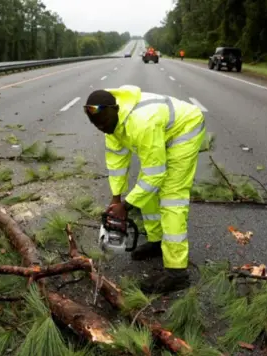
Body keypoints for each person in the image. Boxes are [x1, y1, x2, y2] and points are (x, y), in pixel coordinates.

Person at [83, 85, 206, 294]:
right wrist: (116, 198)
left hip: (184, 129)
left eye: (104, 124)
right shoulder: (110, 123)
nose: (102, 129)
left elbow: (155, 175)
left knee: (171, 198)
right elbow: (117, 163)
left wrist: (126, 206)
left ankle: (177, 272)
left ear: (116, 110)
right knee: (145, 193)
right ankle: (157, 242)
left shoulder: (141, 122)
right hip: (160, 132)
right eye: (97, 126)